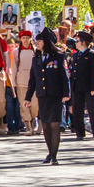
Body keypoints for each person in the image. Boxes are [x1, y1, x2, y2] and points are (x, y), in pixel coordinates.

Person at [24, 28, 70, 164]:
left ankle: (54, 155)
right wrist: (28, 97)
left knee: (55, 124)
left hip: (55, 95)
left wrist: (66, 93)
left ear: (46, 42)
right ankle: (50, 152)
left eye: (39, 41)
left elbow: (64, 76)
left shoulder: (58, 56)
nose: (36, 44)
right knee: (45, 125)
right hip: (42, 95)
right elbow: (33, 79)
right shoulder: (36, 58)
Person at [70, 31, 94, 140]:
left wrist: (93, 87)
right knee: (77, 110)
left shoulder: (91, 55)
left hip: (88, 86)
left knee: (92, 110)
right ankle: (80, 133)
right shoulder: (76, 55)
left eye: (78, 41)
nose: (76, 43)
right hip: (77, 86)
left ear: (83, 42)